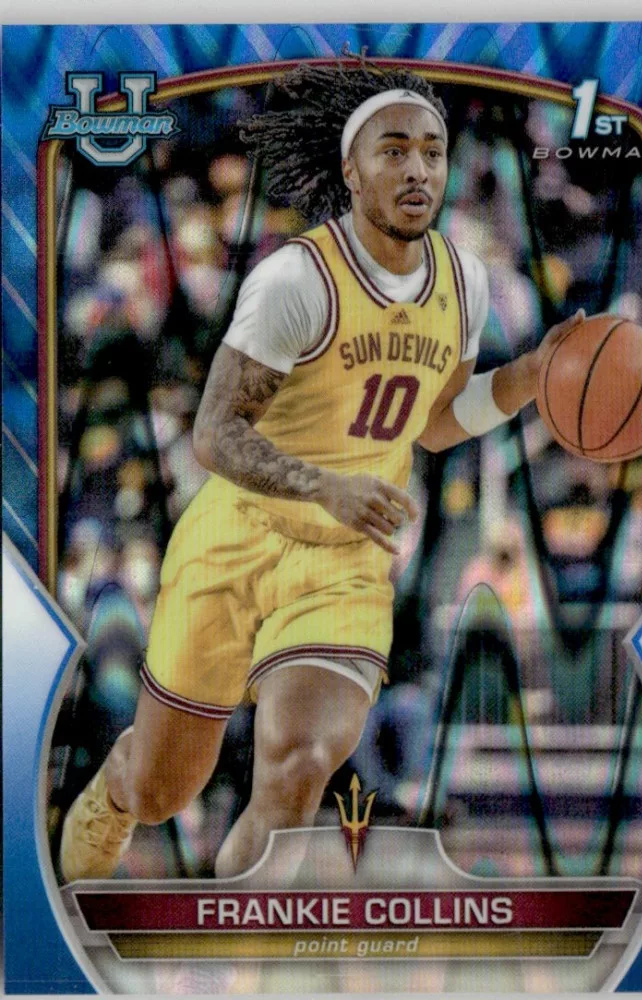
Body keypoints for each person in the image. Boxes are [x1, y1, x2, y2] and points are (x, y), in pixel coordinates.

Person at [60, 64, 584, 882]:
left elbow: (436, 421)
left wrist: (524, 380)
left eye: (433, 152)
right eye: (394, 151)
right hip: (238, 539)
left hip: (344, 562)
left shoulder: (464, 282)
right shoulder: (295, 280)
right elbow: (215, 434)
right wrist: (321, 485)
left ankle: (235, 930)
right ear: (351, 169)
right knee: (162, 788)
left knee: (300, 764)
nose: (417, 170)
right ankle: (118, 788)